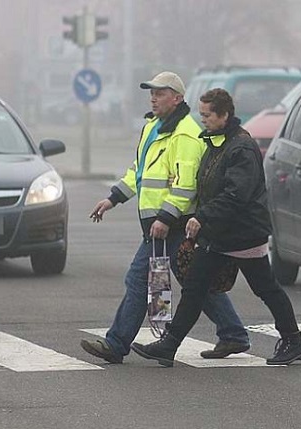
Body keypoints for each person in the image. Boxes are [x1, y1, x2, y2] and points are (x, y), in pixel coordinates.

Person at [80, 73, 251, 364]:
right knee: (197, 283)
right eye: (152, 93)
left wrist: (165, 217)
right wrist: (112, 198)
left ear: (177, 98)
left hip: (173, 225)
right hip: (159, 225)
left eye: (160, 93)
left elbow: (186, 186)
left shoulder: (184, 134)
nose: (153, 98)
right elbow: (139, 172)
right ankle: (233, 333)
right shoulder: (153, 128)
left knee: (138, 280)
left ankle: (116, 344)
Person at [131, 88, 301, 367]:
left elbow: (235, 194)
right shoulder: (217, 142)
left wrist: (202, 216)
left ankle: (293, 340)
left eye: (208, 115)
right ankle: (170, 345)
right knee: (195, 287)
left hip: (243, 234)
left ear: (224, 115)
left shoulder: (241, 146)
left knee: (266, 288)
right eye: (201, 114)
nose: (203, 120)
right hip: (220, 234)